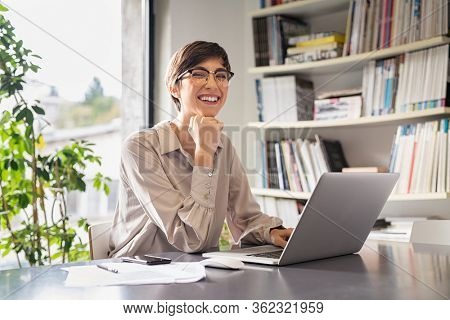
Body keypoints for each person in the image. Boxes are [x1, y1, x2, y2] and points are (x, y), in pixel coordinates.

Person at [109, 41, 293, 257]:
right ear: (174, 87)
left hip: (196, 271)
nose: (213, 85)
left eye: (221, 76)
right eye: (199, 74)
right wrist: (204, 155)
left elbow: (245, 218)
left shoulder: (223, 146)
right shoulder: (140, 148)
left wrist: (271, 232)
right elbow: (190, 239)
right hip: (139, 275)